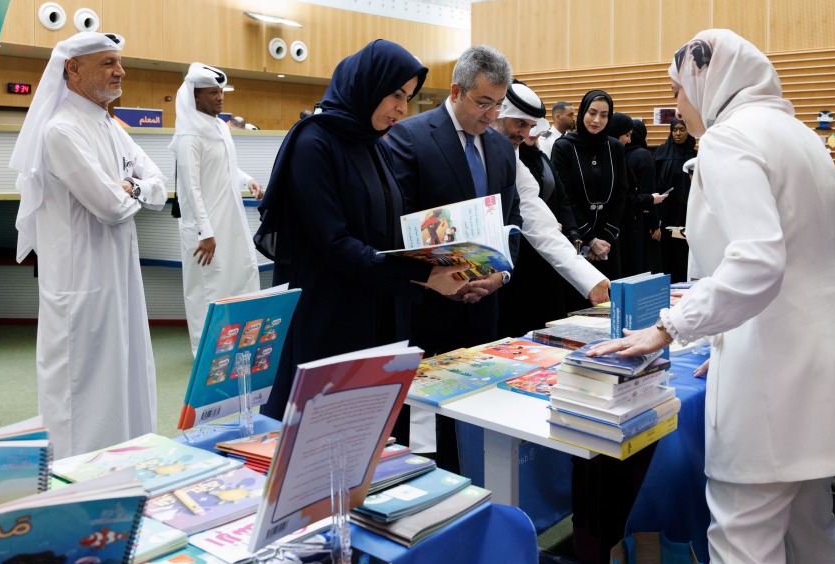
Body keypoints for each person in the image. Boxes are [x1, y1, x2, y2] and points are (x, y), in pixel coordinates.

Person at [592, 29, 835, 564]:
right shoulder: (798, 134)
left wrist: (669, 326)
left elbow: (758, 260)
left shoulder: (729, 139)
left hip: (778, 372)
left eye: (679, 90)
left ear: (709, 81)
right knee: (810, 529)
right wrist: (723, 333)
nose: (678, 106)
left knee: (743, 541)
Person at [255, 39, 463, 421]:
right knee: (321, 427)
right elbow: (335, 243)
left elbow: (389, 228)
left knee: (371, 426)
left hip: (377, 309)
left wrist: (444, 254)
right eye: (396, 94)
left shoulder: (375, 146)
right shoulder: (313, 142)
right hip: (330, 314)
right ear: (368, 84)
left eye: (409, 98)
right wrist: (422, 275)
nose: (402, 108)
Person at [9, 31, 167, 459]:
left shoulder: (109, 125)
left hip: (119, 277)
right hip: (81, 281)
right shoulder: (61, 130)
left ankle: (125, 461)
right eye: (108, 63)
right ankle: (76, 476)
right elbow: (111, 207)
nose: (120, 72)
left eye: (119, 62)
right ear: (73, 69)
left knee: (125, 373)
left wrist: (131, 186)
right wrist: (133, 189)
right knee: (80, 388)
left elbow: (158, 186)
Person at [385, 44, 522, 470]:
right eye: (483, 103)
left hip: (484, 304)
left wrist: (501, 275)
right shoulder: (409, 137)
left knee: (476, 415)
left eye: (499, 104)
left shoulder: (500, 148)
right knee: (422, 425)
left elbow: (512, 220)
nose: (492, 115)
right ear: (456, 91)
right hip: (428, 305)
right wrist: (439, 276)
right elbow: (396, 225)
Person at [496, 81, 609, 335]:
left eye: (530, 126)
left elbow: (538, 222)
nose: (525, 133)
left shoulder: (512, 155)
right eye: (519, 124)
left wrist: (590, 279)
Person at [170, 63, 264, 355]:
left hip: (230, 223)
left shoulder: (220, 127)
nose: (220, 97)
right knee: (207, 290)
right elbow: (191, 189)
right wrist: (205, 233)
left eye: (221, 91)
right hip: (206, 230)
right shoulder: (188, 137)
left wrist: (248, 180)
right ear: (195, 96)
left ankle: (237, 344)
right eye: (213, 92)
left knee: (239, 279)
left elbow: (227, 167)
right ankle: (206, 352)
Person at [551, 90, 626, 280]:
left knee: (609, 294)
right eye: (592, 113)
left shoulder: (615, 147)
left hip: (608, 243)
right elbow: (564, 196)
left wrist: (605, 239)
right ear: (583, 112)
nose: (597, 120)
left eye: (604, 115)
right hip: (575, 238)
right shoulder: (564, 147)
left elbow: (621, 193)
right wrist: (590, 239)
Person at [608, 113, 666, 277]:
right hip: (637, 222)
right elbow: (645, 191)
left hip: (616, 224)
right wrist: (655, 223)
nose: (629, 140)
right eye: (627, 135)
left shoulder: (615, 153)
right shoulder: (642, 155)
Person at [653, 118, 698, 281]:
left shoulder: (694, 155)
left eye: (682, 130)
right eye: (674, 130)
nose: (678, 134)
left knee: (682, 251)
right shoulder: (661, 153)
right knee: (665, 251)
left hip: (686, 211)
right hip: (664, 211)